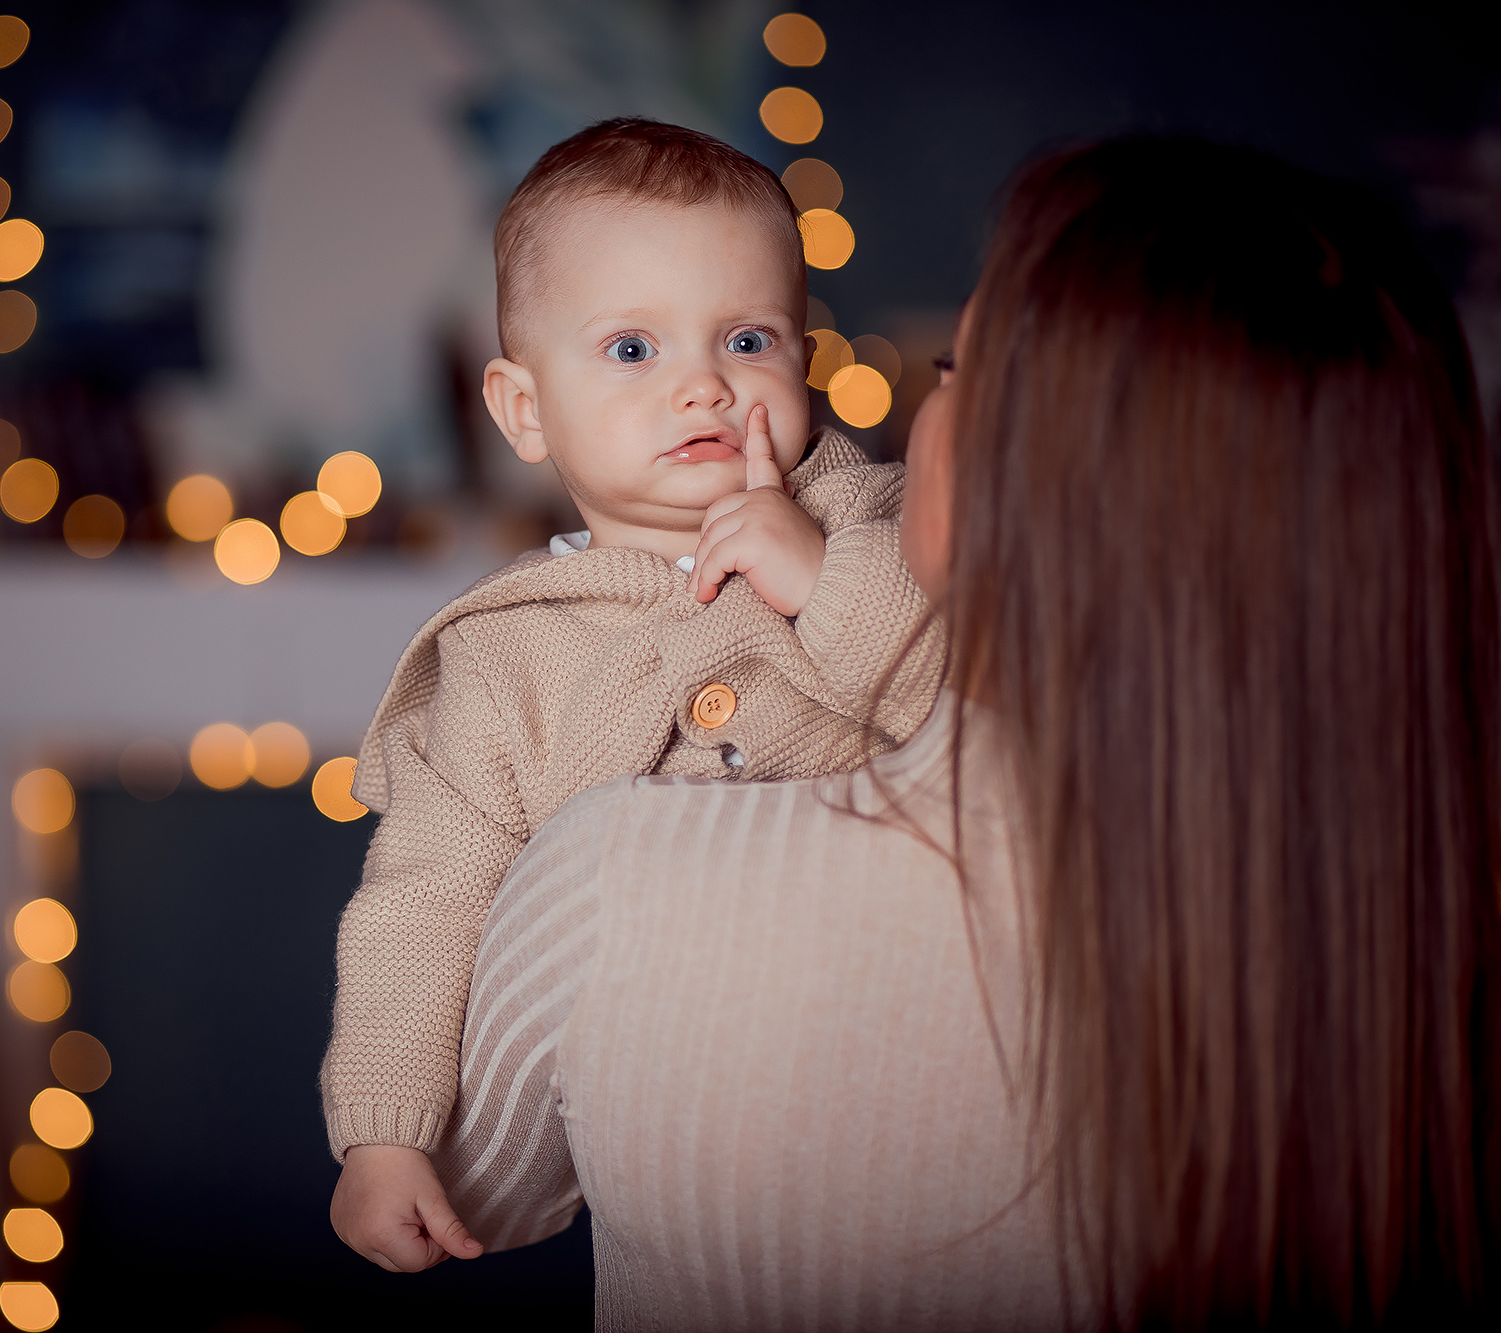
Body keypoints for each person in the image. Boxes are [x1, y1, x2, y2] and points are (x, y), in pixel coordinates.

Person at [428, 138, 1501, 1329]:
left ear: (1022, 476)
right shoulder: (1427, 933)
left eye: (951, 372)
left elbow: (477, 1188)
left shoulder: (612, 877)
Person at [322, 118, 944, 1268]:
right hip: (677, 1156)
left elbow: (979, 717)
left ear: (802, 361)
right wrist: (381, 1135)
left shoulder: (881, 530)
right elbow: (421, 901)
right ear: (521, 409)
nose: (702, 386)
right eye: (629, 351)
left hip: (926, 1084)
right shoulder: (505, 656)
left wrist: (815, 579)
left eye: (746, 338)